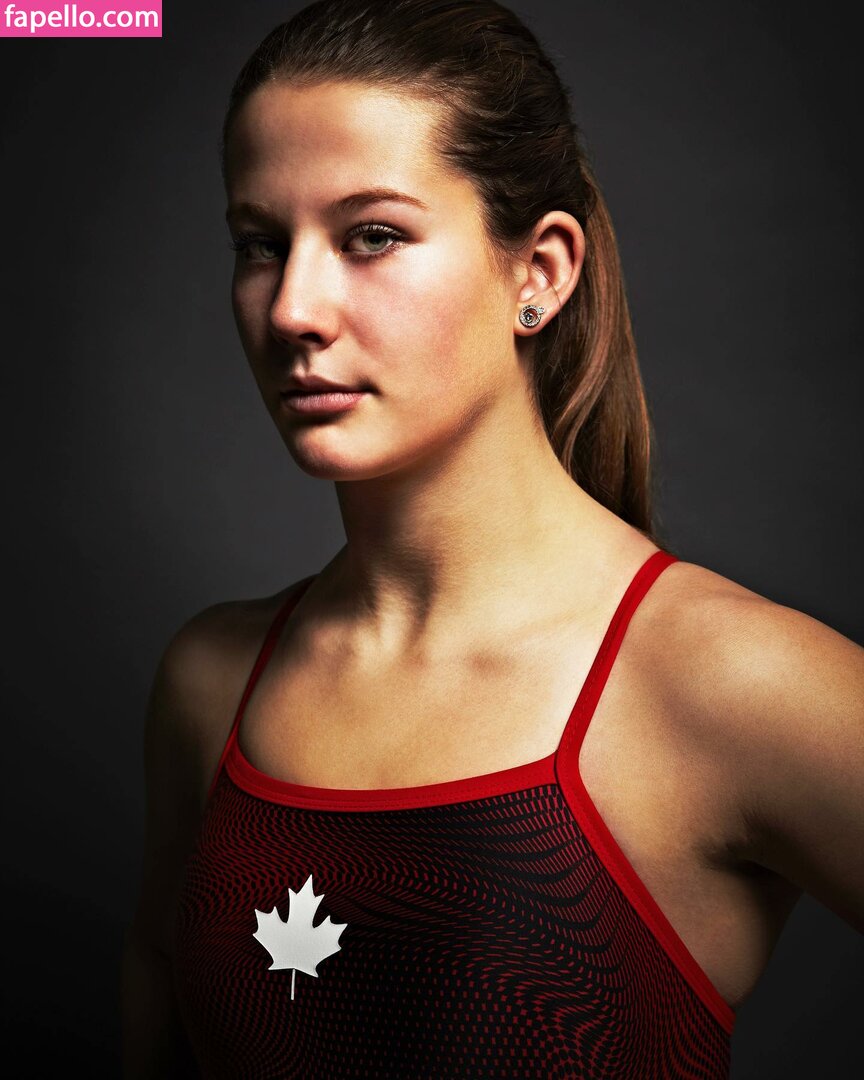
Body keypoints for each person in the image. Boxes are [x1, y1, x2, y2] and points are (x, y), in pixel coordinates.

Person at [120, 1, 864, 1076]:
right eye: (260, 245)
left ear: (540, 272)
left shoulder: (730, 685)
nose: (291, 310)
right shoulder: (209, 684)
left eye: (372, 236)